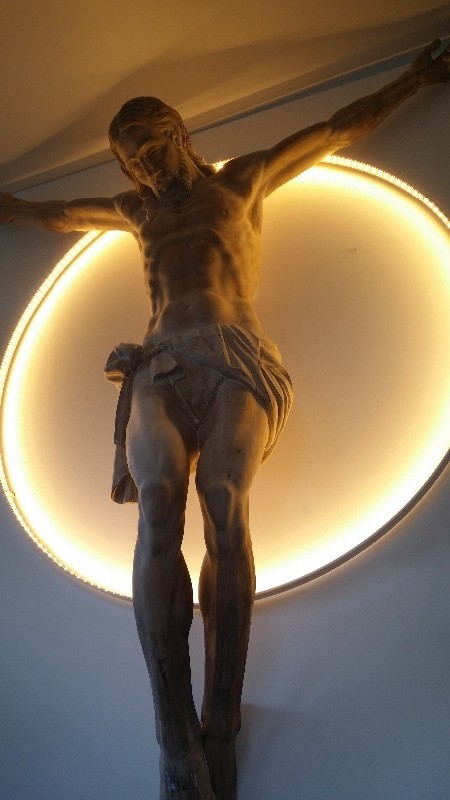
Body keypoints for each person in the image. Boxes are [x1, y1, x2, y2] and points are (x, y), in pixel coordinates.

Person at [1, 39, 448, 800]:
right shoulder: (137, 213)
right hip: (158, 365)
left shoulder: (242, 180)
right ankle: (172, 732)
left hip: (236, 355)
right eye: (131, 160)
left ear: (179, 134)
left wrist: (412, 78)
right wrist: (12, 206)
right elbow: (53, 211)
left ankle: (221, 718)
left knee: (223, 504)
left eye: (152, 146)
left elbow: (336, 128)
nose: (146, 166)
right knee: (157, 509)